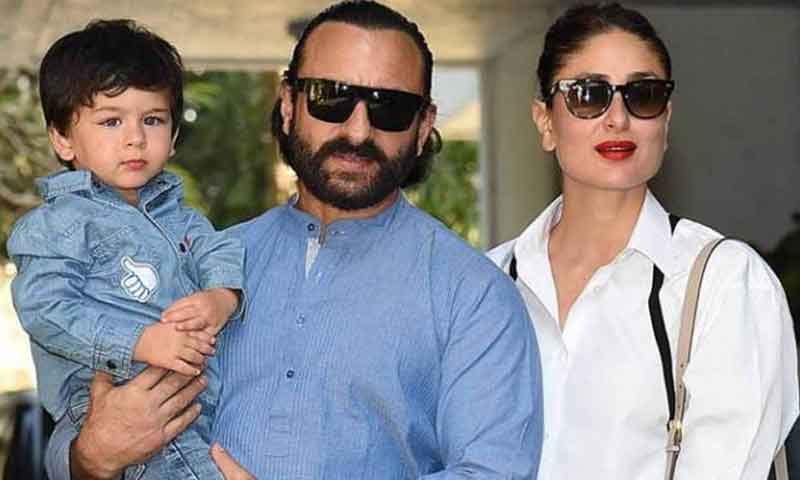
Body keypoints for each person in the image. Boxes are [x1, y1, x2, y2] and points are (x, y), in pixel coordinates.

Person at [45, 2, 544, 479]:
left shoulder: (472, 295)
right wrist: (92, 456)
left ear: (423, 125)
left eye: (389, 108)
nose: (358, 130)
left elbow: (494, 472)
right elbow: (81, 424)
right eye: (331, 97)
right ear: (288, 105)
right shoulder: (201, 264)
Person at [487, 3, 798, 478]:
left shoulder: (725, 283)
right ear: (545, 121)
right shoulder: (488, 281)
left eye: (643, 95)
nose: (618, 118)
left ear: (666, 120)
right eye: (588, 95)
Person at [8, 19, 245, 479]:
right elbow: (44, 309)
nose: (135, 137)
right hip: (115, 398)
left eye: (152, 120)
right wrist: (139, 341)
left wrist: (222, 297)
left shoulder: (180, 217)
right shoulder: (57, 224)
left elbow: (218, 250)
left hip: (191, 399)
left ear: (173, 137)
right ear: (62, 138)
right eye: (111, 121)